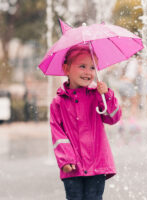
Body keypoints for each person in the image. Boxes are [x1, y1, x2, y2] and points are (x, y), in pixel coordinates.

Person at [49, 44, 122, 200]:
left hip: (97, 165)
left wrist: (107, 96)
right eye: (82, 66)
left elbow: (113, 117)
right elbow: (57, 133)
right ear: (66, 69)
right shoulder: (58, 102)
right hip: (72, 166)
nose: (88, 72)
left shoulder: (97, 95)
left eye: (92, 68)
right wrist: (66, 159)